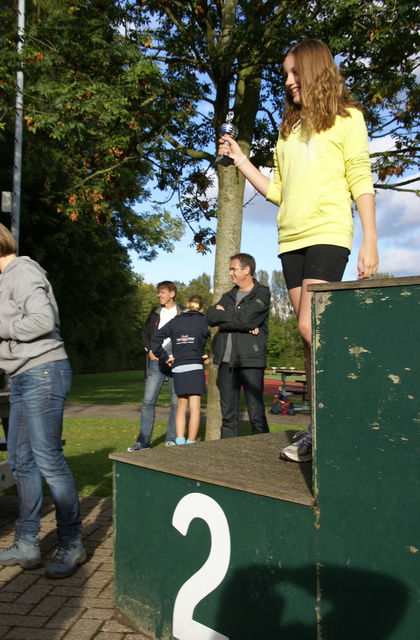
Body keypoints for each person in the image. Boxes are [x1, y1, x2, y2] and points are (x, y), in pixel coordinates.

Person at [218, 39, 379, 462]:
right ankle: (318, 431)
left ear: (315, 71)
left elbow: (360, 177)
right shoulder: (288, 129)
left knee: (311, 327)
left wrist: (371, 239)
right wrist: (240, 160)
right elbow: (279, 190)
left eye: (294, 73)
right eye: (285, 75)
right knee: (308, 343)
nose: (288, 82)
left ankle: (354, 406)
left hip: (329, 231)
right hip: (291, 240)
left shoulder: (348, 118)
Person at [0, 219, 85, 579]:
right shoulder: (6, 278)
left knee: (48, 460)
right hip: (22, 376)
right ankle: (28, 544)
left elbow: (42, 320)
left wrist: (0, 330)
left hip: (44, 373)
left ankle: (72, 542)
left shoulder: (22, 271)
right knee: (21, 462)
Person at [206, 253, 270, 439]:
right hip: (226, 363)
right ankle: (229, 458)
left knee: (256, 414)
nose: (230, 273)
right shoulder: (228, 295)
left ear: (247, 270)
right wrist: (240, 321)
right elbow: (211, 317)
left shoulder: (262, 293)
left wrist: (226, 317)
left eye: (233, 269)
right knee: (228, 417)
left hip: (251, 361)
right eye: (230, 269)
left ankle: (263, 455)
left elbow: (246, 320)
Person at [127, 281, 184, 451]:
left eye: (162, 292)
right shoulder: (155, 313)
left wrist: (180, 355)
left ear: (172, 294)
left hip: (177, 362)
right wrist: (149, 351)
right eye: (158, 292)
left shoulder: (183, 313)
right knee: (148, 402)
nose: (159, 295)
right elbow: (144, 333)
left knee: (176, 403)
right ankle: (143, 442)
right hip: (157, 361)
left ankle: (171, 439)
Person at [151, 295, 210, 445]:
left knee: (181, 406)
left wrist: (165, 357)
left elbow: (155, 340)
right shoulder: (204, 320)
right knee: (195, 408)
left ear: (187, 305)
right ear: (201, 308)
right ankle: (191, 441)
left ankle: (179, 439)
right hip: (196, 367)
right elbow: (219, 338)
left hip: (179, 368)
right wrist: (208, 354)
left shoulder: (175, 321)